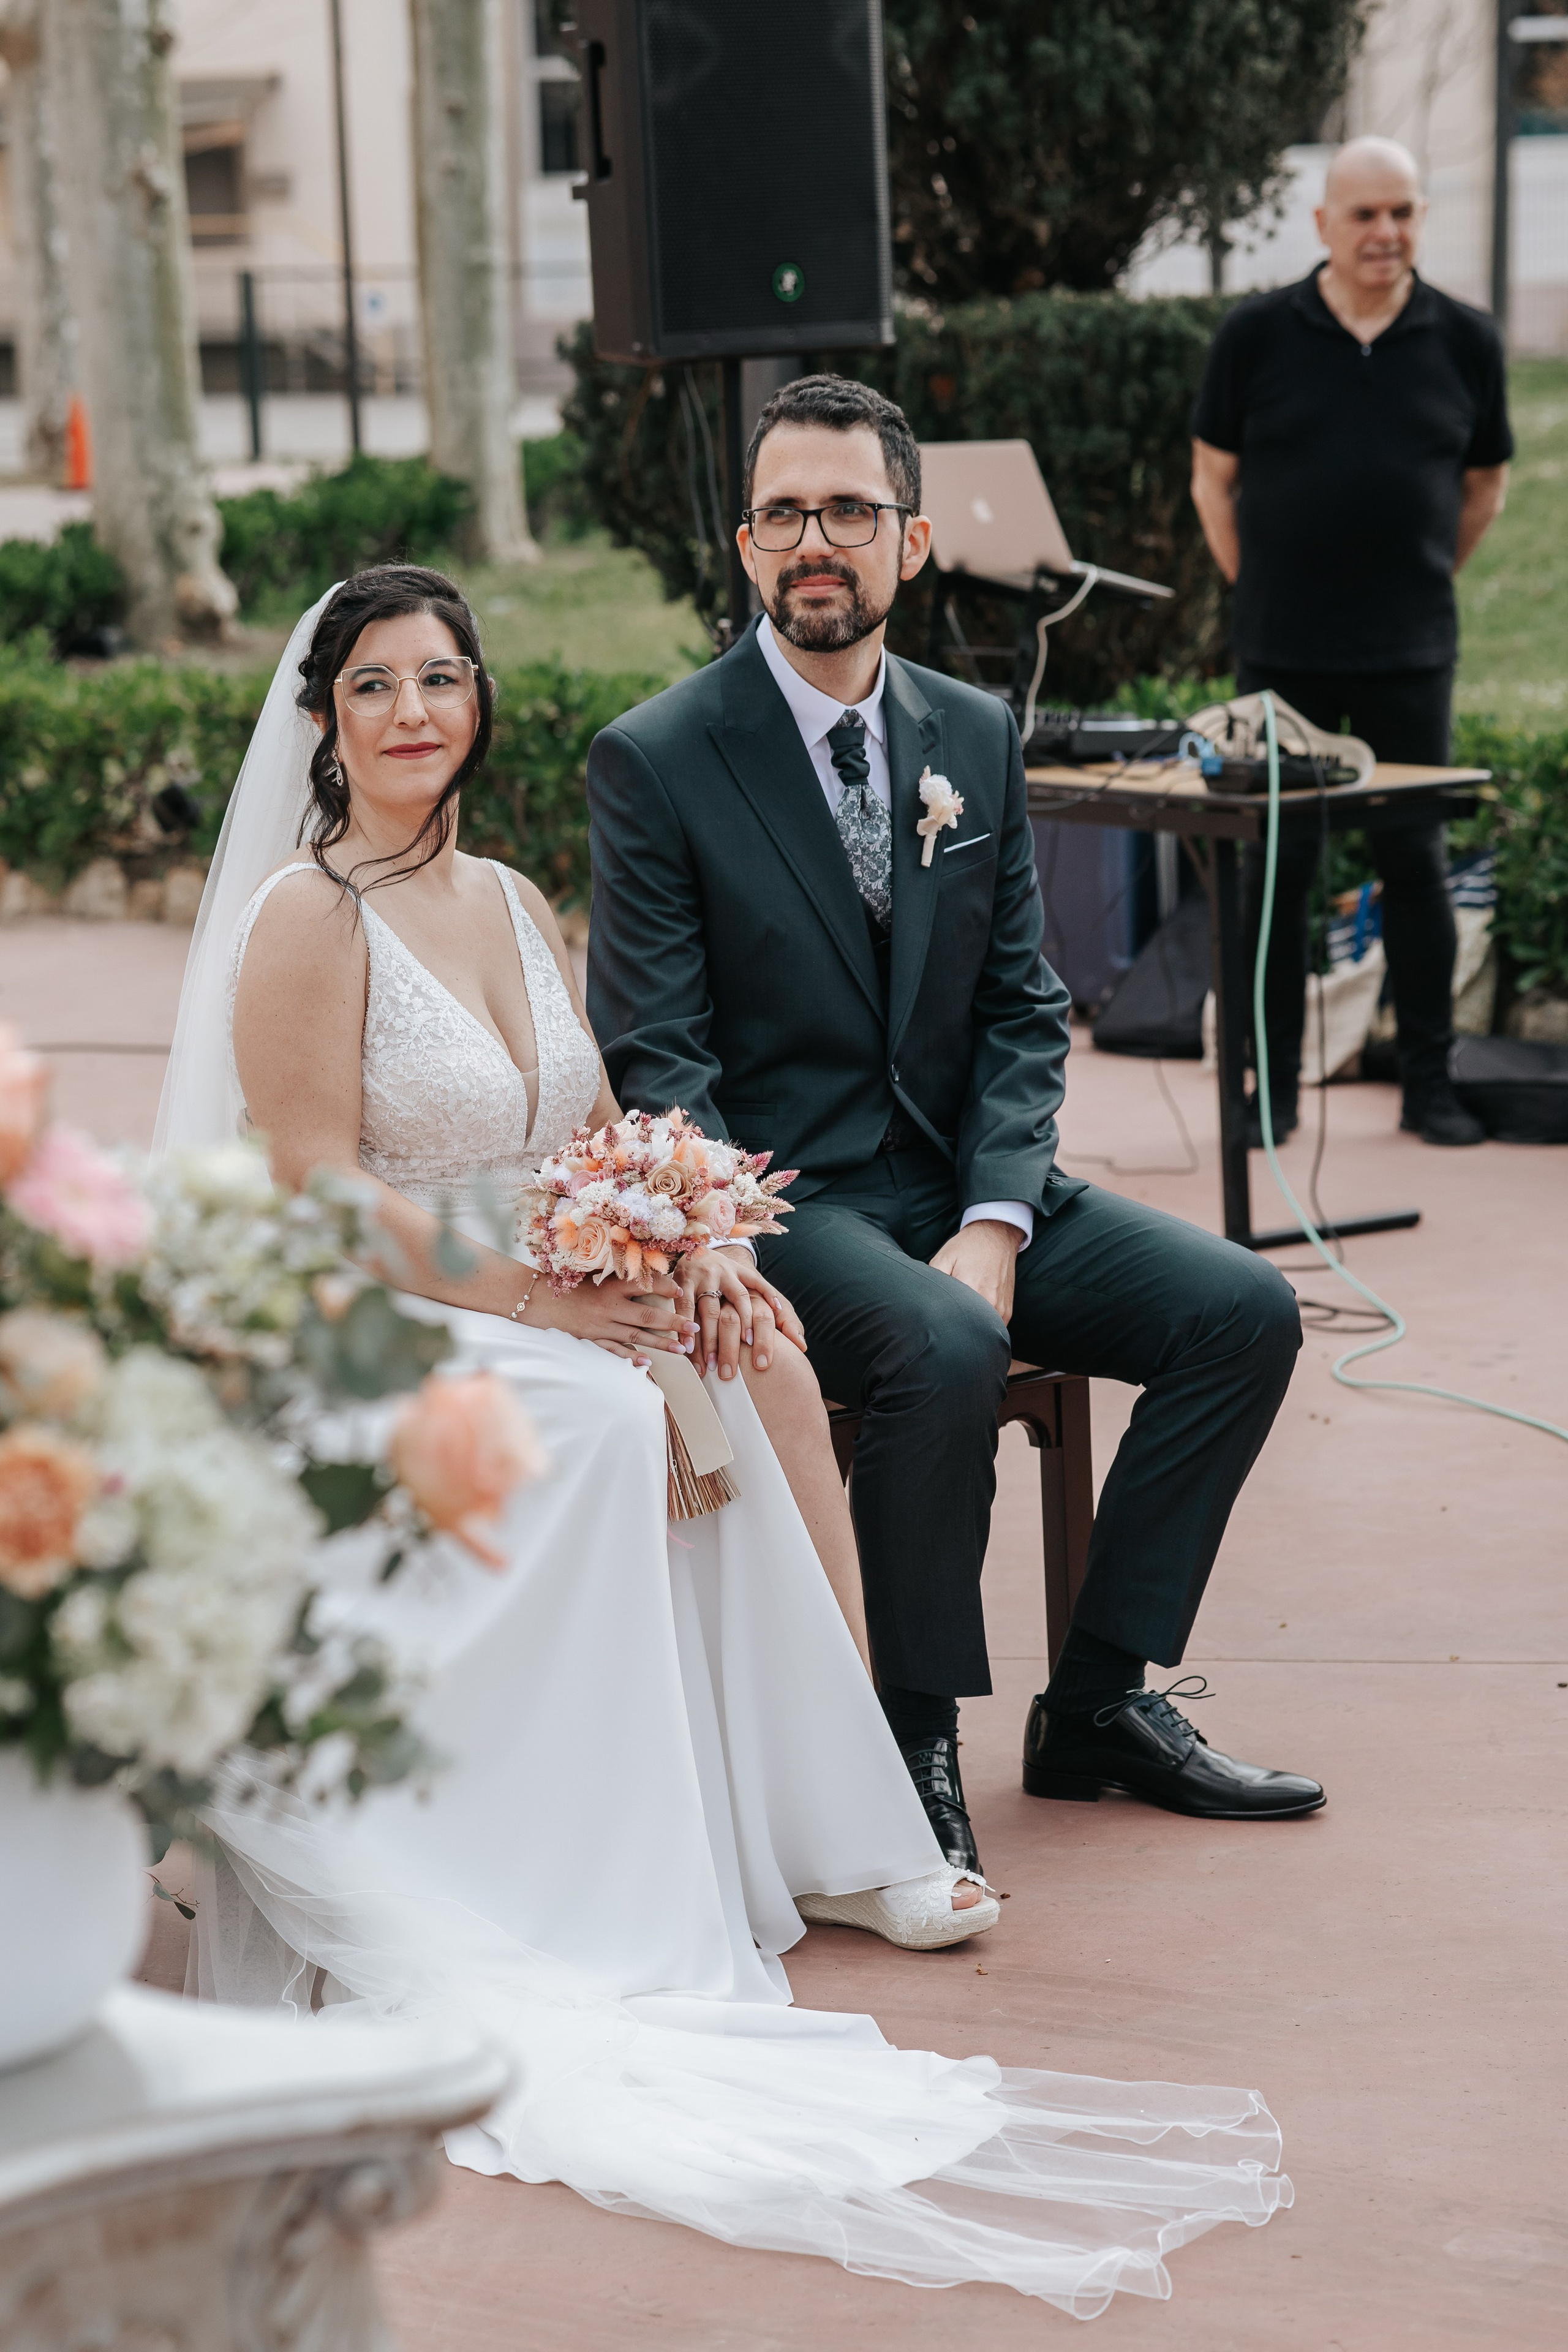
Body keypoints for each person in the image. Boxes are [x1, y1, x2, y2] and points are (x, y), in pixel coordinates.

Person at [154, 564, 1294, 2315]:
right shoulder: (306, 917)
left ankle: (839, 1830)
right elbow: (319, 1188)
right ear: (325, 720)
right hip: (386, 1310)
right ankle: (615, 1870)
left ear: (478, 702)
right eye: (372, 686)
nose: (410, 714)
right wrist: (548, 1301)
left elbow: (597, 1126)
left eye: (439, 679)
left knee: (752, 1364)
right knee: (615, 1422)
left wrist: (689, 1244)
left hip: (552, 1272)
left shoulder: (511, 895)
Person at [586, 375, 1324, 1885]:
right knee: (941, 1339)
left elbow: (1018, 1003)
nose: (814, 541)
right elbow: (658, 1055)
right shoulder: (656, 756)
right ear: (744, 542)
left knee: (1241, 1310)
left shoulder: (972, 730)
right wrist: (724, 1232)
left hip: (966, 1182)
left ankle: (1097, 1700)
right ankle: (905, 1737)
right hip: (788, 1198)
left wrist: (996, 1217)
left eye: (848, 511)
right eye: (783, 512)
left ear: (910, 541)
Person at [1190, 135, 1513, 1149]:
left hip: (1410, 651)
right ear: (1323, 223)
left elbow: (1485, 486)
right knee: (1279, 872)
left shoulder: (1467, 340)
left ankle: (1430, 1089)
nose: (1385, 231)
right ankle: (1273, 1094)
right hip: (1280, 652)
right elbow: (1211, 478)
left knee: (1415, 862)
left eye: (1402, 212)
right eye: (1365, 213)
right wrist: (1257, 586)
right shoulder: (1255, 335)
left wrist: (1423, 577)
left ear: (1421, 220)